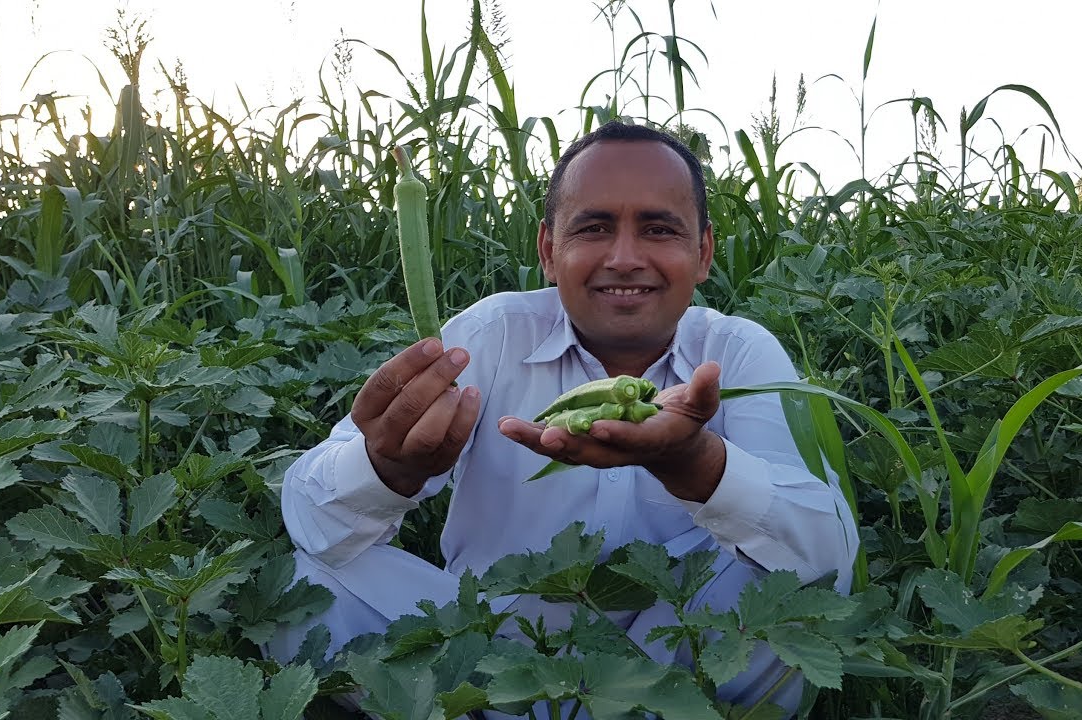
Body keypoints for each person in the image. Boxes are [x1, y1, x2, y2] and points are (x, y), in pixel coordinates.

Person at [269, 121, 859, 714]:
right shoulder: (492, 335)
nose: (625, 258)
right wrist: (385, 468)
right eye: (594, 228)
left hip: (676, 656)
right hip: (493, 656)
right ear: (550, 251)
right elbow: (312, 519)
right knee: (302, 586)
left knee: (796, 582)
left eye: (658, 229)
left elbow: (829, 549)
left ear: (702, 253)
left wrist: (692, 461)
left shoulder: (737, 353)